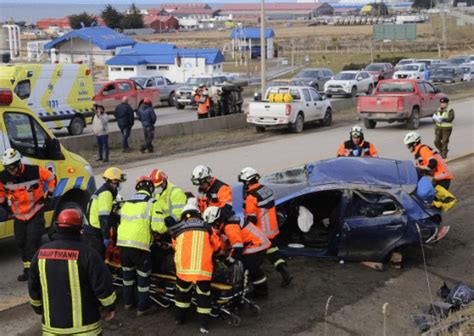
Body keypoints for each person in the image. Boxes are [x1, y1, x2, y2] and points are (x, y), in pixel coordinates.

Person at [28, 208, 116, 335]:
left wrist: (37, 308)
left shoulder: (41, 253)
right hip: (86, 329)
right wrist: (110, 307)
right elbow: (103, 285)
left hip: (52, 329)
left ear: (57, 226)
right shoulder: (88, 253)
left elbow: (33, 286)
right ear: (80, 229)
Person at [0, 148, 56, 281]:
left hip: (35, 211)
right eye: (8, 168)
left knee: (33, 241)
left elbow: (51, 178)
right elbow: (1, 192)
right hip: (19, 215)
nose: (11, 171)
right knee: (21, 242)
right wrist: (2, 205)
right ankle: (28, 270)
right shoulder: (3, 177)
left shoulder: (35, 170)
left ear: (19, 163)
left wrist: (50, 195)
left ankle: (37, 271)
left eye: (13, 167)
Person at [166, 202, 221, 334]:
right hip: (203, 270)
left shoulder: (177, 229)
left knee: (182, 294)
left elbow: (175, 247)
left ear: (184, 216)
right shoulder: (207, 227)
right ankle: (203, 325)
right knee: (203, 297)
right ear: (198, 214)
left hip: (184, 269)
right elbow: (217, 246)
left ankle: (179, 319)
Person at [117, 176, 167, 316]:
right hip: (140, 247)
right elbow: (159, 227)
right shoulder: (152, 202)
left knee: (127, 277)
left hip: (123, 245)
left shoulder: (126, 203)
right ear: (151, 188)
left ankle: (128, 303)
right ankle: (142, 308)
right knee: (143, 278)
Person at [238, 167, 293, 288]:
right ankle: (285, 271)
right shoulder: (266, 190)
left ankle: (253, 283)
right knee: (273, 251)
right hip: (272, 229)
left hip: (261, 232)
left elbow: (252, 219)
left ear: (247, 182)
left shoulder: (251, 197)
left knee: (253, 260)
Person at [203, 206, 271, 298]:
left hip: (255, 245)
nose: (214, 228)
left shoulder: (229, 226)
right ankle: (262, 290)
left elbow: (237, 248)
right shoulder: (227, 222)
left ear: (217, 221)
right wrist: (219, 252)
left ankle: (243, 295)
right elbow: (227, 243)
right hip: (258, 243)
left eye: (213, 225)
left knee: (245, 268)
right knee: (255, 269)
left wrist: (229, 261)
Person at [83, 167, 126, 258]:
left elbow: (107, 214)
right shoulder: (106, 193)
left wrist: (120, 218)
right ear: (114, 181)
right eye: (119, 182)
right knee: (97, 260)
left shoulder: (103, 191)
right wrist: (106, 237)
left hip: (90, 230)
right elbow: (104, 217)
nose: (120, 185)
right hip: (95, 233)